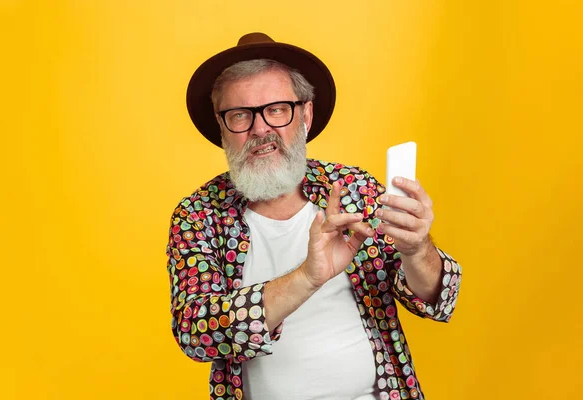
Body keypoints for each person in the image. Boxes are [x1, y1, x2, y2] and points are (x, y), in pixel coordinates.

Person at [166, 32, 462, 400]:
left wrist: (417, 250)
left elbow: (437, 300)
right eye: (240, 114)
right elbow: (196, 333)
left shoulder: (354, 189)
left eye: (276, 109)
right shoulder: (197, 216)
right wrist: (307, 277)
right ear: (222, 126)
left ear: (305, 114)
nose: (261, 129)